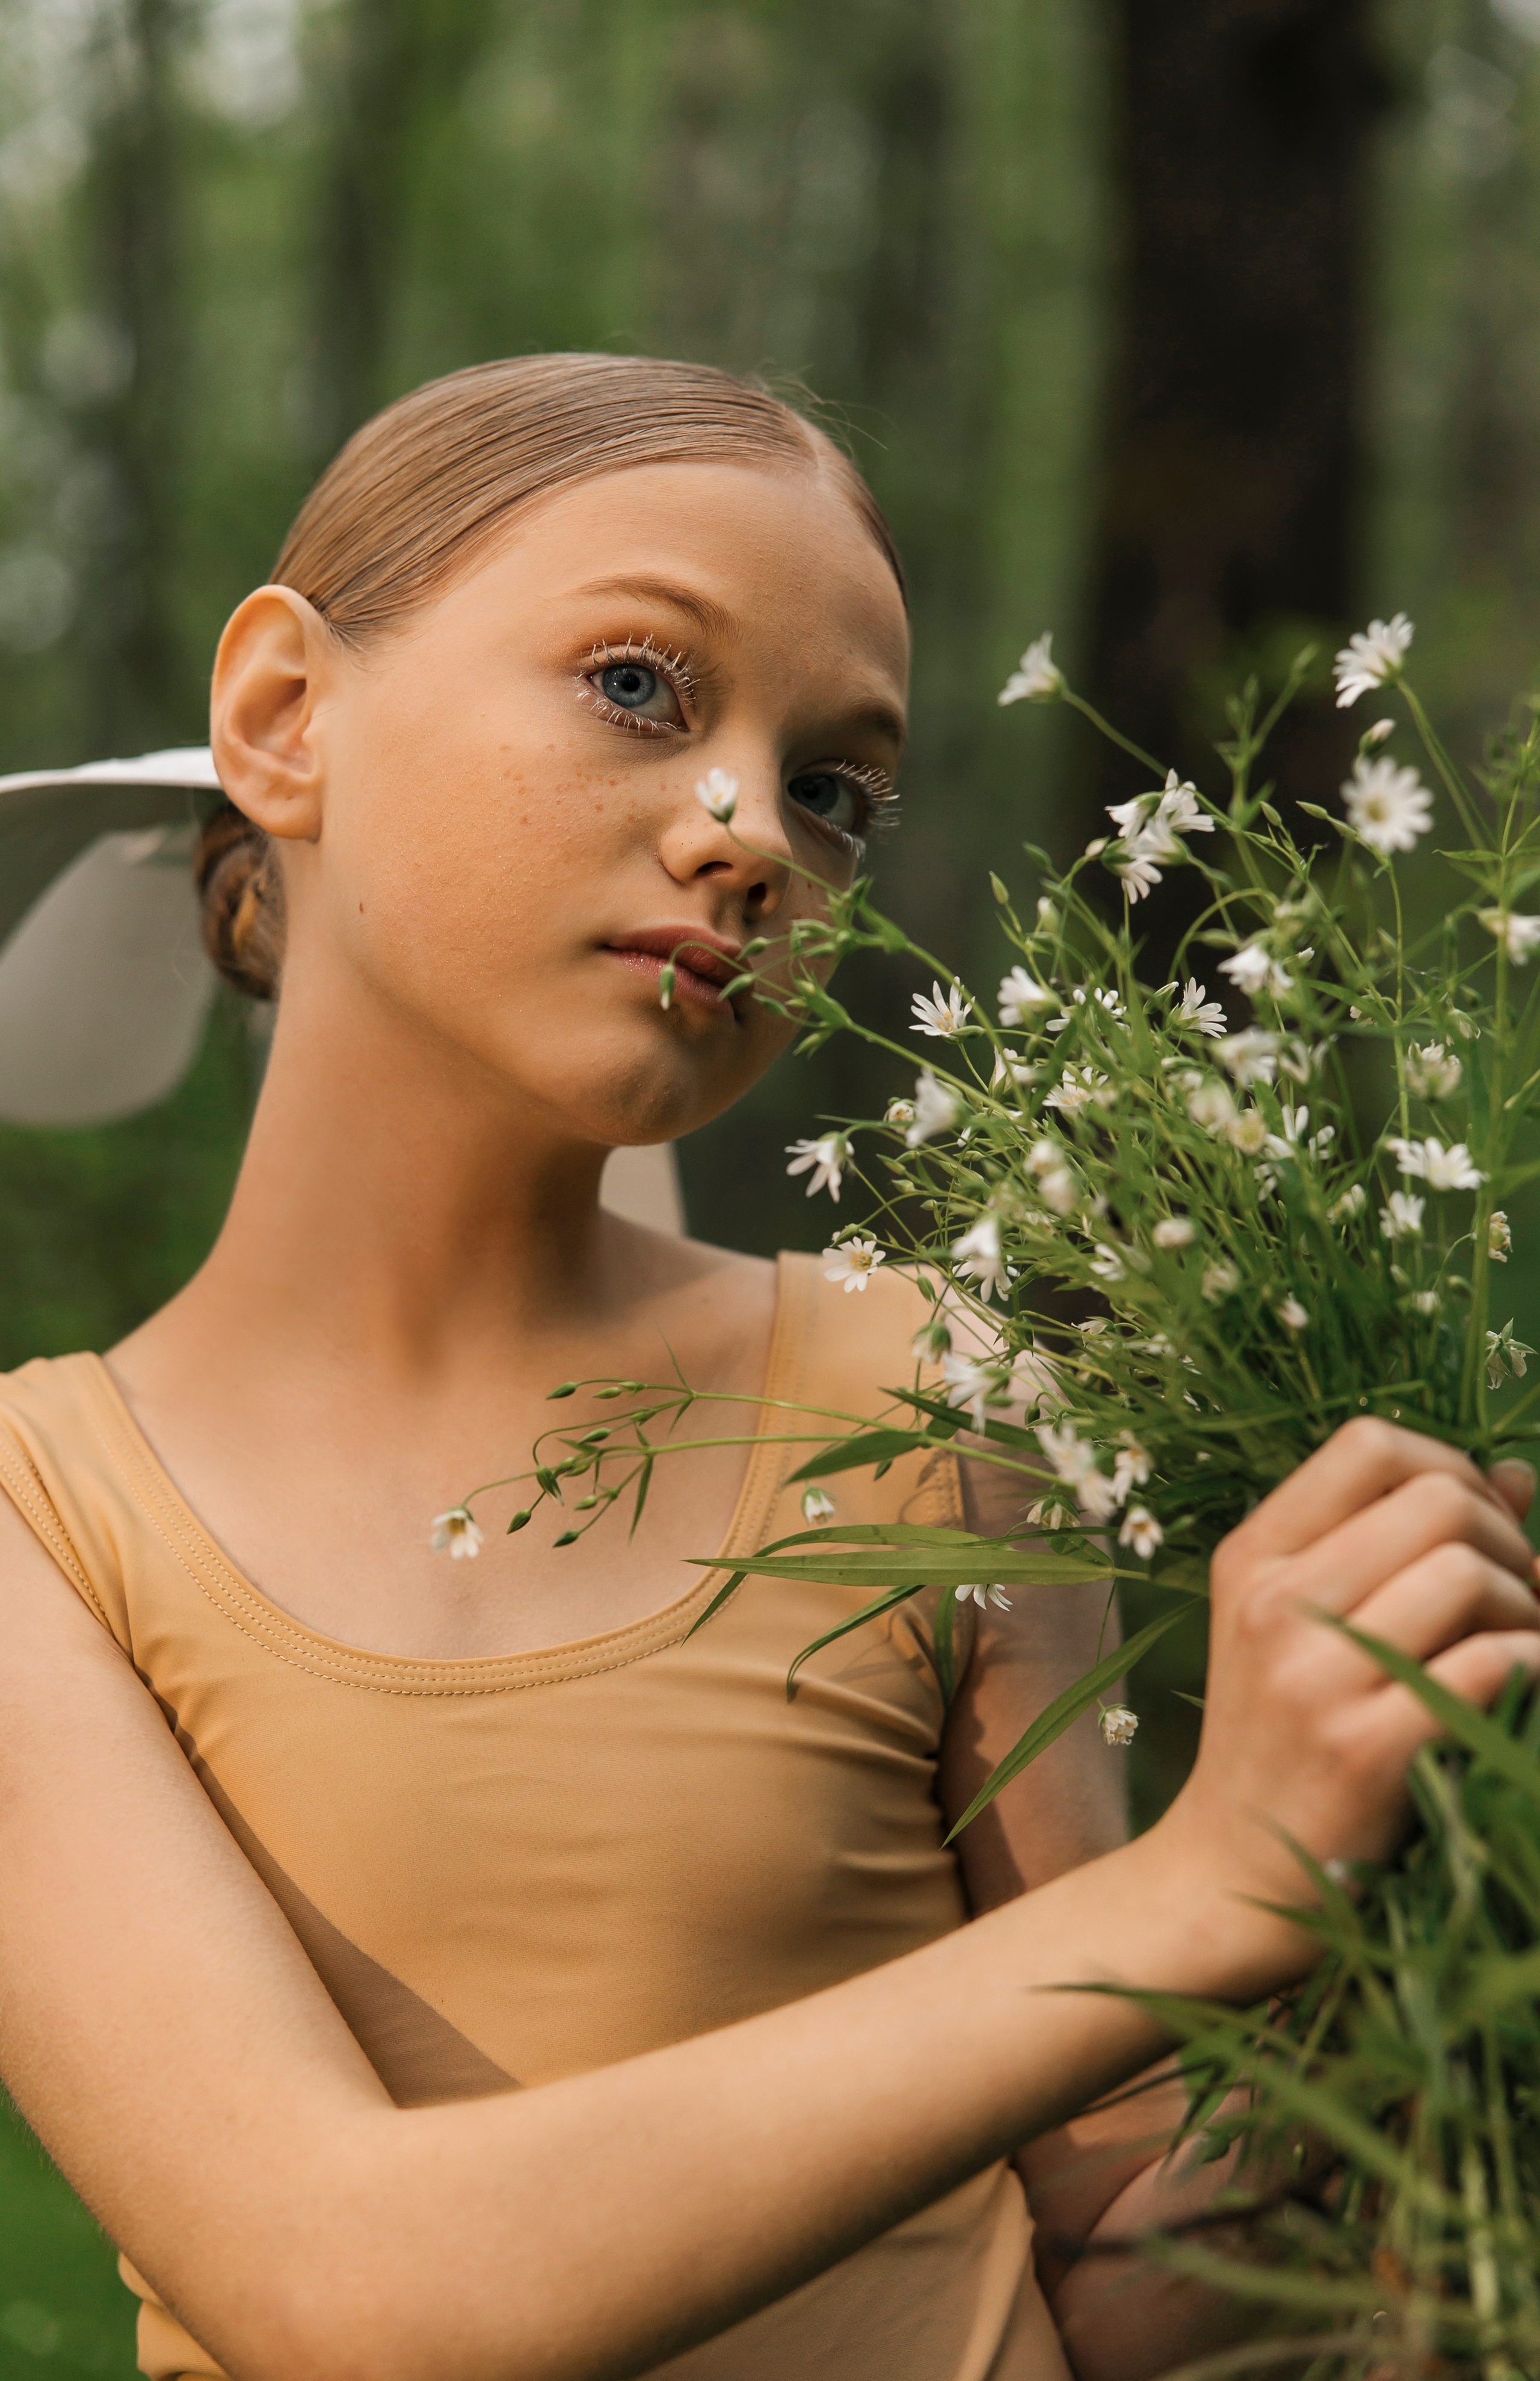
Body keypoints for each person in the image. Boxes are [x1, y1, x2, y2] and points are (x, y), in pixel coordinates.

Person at [0, 353, 1534, 2381]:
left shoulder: (934, 1399)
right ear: (288, 715)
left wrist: (1414, 1931)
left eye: (838, 789)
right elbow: (341, 2292)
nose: (751, 839)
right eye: (640, 687)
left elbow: (1138, 2276)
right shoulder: (46, 1519)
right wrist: (1209, 1883)